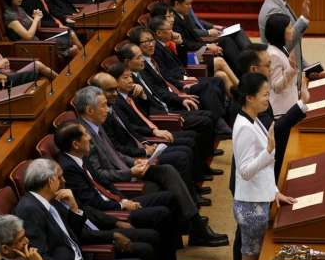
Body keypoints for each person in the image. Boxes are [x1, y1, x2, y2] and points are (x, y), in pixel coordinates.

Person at [74, 86, 228, 248]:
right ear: (90, 110)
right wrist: (130, 172)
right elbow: (99, 175)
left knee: (167, 170)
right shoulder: (83, 136)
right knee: (163, 189)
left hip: (128, 170)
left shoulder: (97, 124)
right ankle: (195, 228)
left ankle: (195, 225)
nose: (108, 109)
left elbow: (115, 153)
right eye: (103, 106)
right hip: (119, 183)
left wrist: (135, 162)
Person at [54, 122, 192, 260]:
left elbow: (101, 183)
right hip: (105, 219)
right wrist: (118, 212)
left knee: (168, 199)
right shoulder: (67, 171)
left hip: (110, 207)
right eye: (85, 134)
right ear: (75, 144)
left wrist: (121, 199)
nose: (90, 138)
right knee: (155, 227)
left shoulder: (79, 158)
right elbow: (90, 206)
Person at [13, 159, 148, 260]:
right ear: (50, 181)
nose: (64, 181)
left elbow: (76, 232)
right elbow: (40, 258)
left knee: (142, 252)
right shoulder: (29, 210)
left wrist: (74, 208)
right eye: (60, 177)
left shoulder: (50, 199)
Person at [232, 73, 297, 260]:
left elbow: (264, 171)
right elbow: (245, 171)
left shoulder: (253, 119)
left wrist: (275, 192)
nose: (268, 99)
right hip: (250, 207)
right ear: (250, 97)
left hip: (260, 200)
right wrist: (268, 152)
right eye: (265, 95)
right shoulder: (244, 127)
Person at [0, 0, 81, 57]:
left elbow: (37, 27)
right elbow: (28, 36)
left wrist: (37, 17)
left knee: (71, 38)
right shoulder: (10, 16)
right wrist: (36, 19)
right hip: (30, 48)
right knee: (73, 46)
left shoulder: (19, 9)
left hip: (38, 43)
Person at [258, 0, 311, 85]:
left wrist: (306, 67)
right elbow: (285, 45)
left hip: (292, 68)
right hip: (282, 75)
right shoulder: (272, 10)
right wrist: (303, 19)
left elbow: (293, 46)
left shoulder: (280, 3)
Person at [0, 12, 55, 88]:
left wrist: (5, 61)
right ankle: (59, 83)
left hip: (7, 72)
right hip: (1, 78)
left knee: (41, 76)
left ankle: (59, 85)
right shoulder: (9, 15)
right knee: (37, 67)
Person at [265, 14, 300, 119]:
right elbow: (276, 87)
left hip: (290, 105)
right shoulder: (273, 55)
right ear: (280, 32)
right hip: (282, 112)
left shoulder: (281, 48)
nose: (292, 30)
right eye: (289, 27)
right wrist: (292, 69)